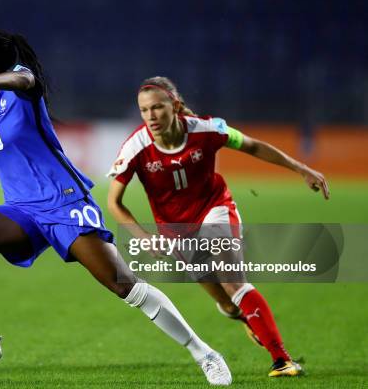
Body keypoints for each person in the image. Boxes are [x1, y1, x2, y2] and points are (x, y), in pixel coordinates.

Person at [0, 29, 232, 385]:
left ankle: (204, 353)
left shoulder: (21, 89)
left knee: (125, 287)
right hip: (23, 209)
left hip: (64, 203)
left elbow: (26, 77)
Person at [107, 76, 330, 378]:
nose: (151, 116)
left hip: (215, 210)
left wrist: (301, 168)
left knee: (233, 282)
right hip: (176, 232)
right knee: (227, 304)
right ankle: (247, 319)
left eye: (157, 108)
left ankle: (282, 360)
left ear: (174, 106)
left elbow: (252, 146)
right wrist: (144, 237)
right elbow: (114, 202)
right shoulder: (136, 147)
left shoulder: (208, 129)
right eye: (144, 110)